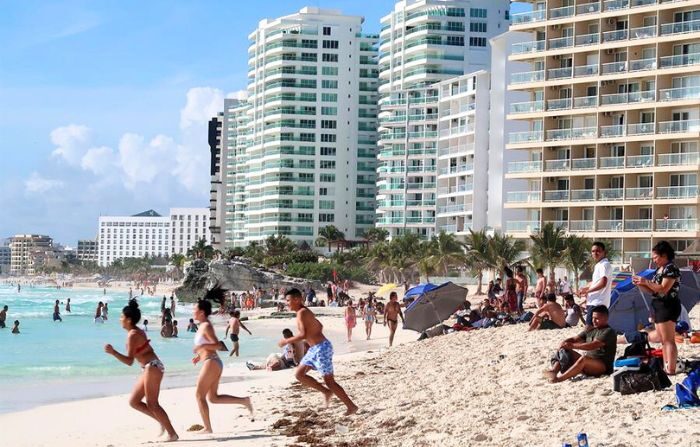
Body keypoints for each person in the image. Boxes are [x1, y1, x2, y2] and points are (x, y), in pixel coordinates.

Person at [104, 300, 178, 442]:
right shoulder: (136, 331)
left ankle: (172, 434)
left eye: (122, 317)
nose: (120, 319)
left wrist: (113, 352)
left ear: (129, 319)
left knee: (152, 403)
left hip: (153, 366)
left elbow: (129, 361)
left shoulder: (133, 334)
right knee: (134, 401)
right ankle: (162, 422)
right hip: (149, 367)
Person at [279, 288, 358, 415]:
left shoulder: (302, 313)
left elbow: (303, 334)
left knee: (330, 382)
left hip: (322, 348)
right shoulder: (303, 312)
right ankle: (326, 392)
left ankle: (351, 406)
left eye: (288, 300)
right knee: (299, 374)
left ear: (297, 299)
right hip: (314, 349)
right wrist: (312, 338)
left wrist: (286, 341)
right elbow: (319, 325)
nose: (286, 303)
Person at [192, 299, 253, 434]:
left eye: (194, 309)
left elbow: (217, 345)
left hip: (211, 362)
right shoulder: (202, 325)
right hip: (212, 361)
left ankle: (208, 428)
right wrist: (199, 356)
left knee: (199, 395)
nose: (193, 311)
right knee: (213, 398)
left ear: (201, 312)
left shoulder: (206, 326)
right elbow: (210, 346)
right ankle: (244, 401)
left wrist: (202, 347)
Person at [633, 241, 682, 375]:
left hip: (668, 305)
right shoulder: (659, 270)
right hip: (659, 305)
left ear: (664, 255)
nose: (654, 260)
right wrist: (640, 284)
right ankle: (667, 366)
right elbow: (652, 290)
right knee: (663, 339)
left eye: (655, 257)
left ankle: (670, 368)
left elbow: (664, 288)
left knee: (668, 340)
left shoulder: (670, 268)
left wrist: (646, 281)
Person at [544, 305, 616, 383]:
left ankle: (559, 379)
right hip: (589, 363)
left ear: (606, 318)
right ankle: (554, 371)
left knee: (584, 359)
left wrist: (572, 346)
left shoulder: (609, 331)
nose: (594, 321)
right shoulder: (591, 330)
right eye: (593, 318)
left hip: (602, 366)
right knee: (564, 350)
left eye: (597, 318)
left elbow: (593, 345)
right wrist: (564, 342)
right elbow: (575, 339)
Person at [577, 242, 613, 330]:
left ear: (604, 252)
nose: (595, 253)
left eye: (598, 251)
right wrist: (584, 288)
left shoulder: (604, 265)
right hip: (595, 301)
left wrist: (587, 291)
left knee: (589, 329)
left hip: (597, 302)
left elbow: (603, 283)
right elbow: (596, 282)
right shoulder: (599, 265)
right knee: (595, 330)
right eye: (593, 251)